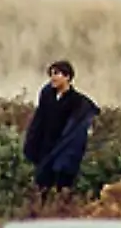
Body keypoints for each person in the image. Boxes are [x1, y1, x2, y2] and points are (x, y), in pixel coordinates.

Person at [23, 60, 100, 196]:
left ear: (67, 77)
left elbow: (83, 120)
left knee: (62, 186)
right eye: (51, 74)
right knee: (42, 186)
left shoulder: (77, 101)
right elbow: (39, 119)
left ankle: (61, 211)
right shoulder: (47, 95)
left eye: (57, 73)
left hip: (62, 147)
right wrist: (31, 142)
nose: (53, 77)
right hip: (45, 147)